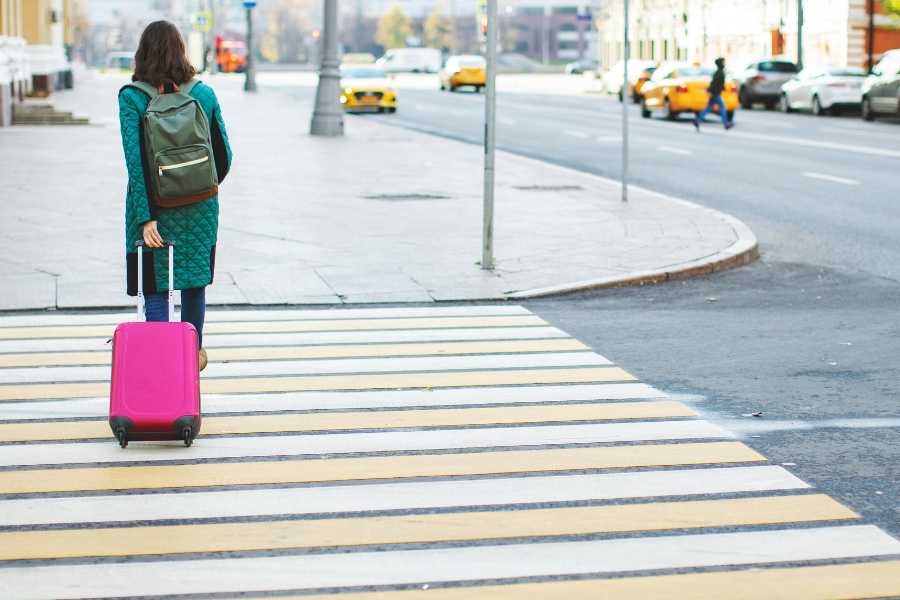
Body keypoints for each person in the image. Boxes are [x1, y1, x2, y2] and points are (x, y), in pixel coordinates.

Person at [119, 20, 232, 371]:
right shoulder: (204, 94)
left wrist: (146, 216)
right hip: (200, 206)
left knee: (154, 288)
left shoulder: (132, 98)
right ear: (181, 50)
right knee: (194, 284)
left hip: (152, 209)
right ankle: (189, 360)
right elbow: (224, 155)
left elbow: (135, 165)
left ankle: (161, 366)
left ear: (143, 53)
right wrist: (198, 187)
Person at [693, 57, 733, 131]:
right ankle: (726, 124)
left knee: (708, 108)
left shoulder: (719, 72)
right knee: (722, 107)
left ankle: (697, 121)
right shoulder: (720, 72)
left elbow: (716, 83)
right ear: (720, 64)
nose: (724, 64)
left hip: (714, 93)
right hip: (715, 94)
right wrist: (713, 91)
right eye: (723, 62)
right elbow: (715, 84)